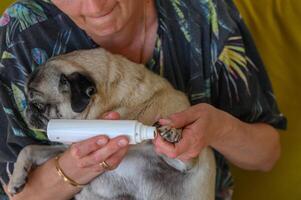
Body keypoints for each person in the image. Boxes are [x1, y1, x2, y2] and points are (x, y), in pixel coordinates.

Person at [0, 0, 287, 199]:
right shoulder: (21, 35)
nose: (96, 7)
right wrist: (76, 166)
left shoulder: (203, 13)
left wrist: (218, 128)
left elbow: (266, 155)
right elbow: (21, 197)